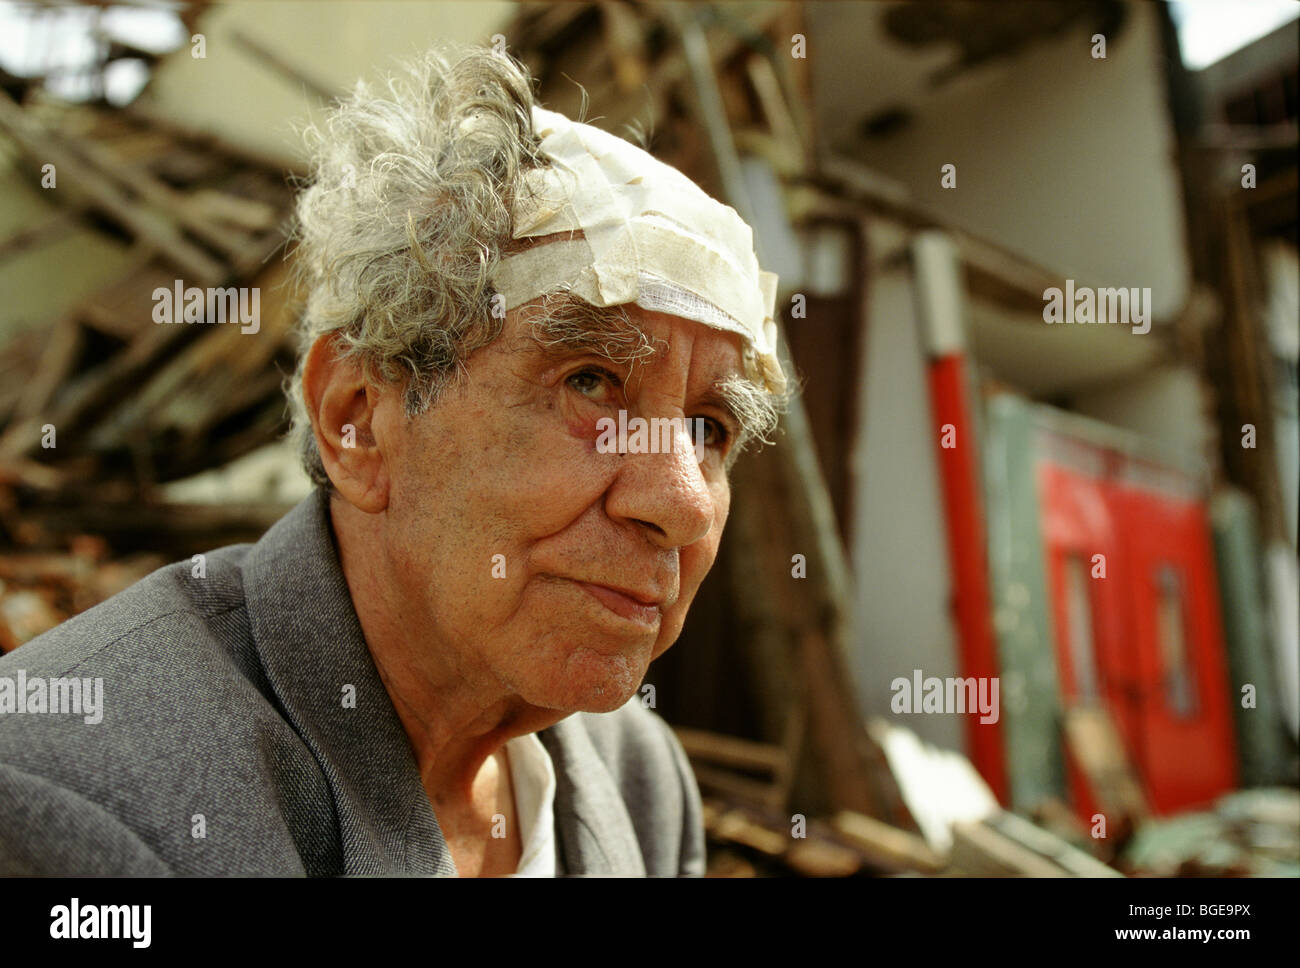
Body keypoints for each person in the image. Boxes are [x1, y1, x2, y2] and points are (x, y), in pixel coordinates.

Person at [0, 43, 787, 877]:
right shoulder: (76, 797)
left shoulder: (639, 782)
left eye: (709, 428)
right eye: (589, 382)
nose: (683, 504)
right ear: (357, 420)